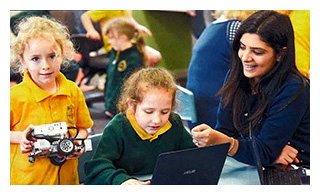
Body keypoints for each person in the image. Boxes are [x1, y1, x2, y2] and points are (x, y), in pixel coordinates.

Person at [191, 10, 310, 167]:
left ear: (280, 54)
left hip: (299, 169)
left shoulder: (294, 88)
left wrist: (227, 143)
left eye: (257, 52)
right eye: (242, 47)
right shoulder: (237, 76)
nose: (246, 57)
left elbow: (263, 151)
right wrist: (264, 153)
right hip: (262, 166)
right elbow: (227, 132)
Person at [10, 16, 94, 184]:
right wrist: (21, 138)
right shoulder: (14, 96)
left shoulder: (72, 90)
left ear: (62, 54)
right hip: (29, 180)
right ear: (23, 61)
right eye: (35, 59)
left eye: (52, 56)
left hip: (67, 179)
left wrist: (78, 141)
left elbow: (83, 128)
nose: (45, 65)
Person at [84, 67, 196, 185]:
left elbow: (191, 157)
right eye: (148, 111)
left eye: (164, 112)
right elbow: (97, 169)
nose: (157, 120)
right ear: (132, 105)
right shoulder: (117, 128)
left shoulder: (174, 124)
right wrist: (122, 180)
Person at [186, 10, 256, 130]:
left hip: (199, 112)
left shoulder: (213, 26)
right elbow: (252, 62)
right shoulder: (235, 27)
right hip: (216, 113)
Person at [81, 10, 161, 67]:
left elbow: (128, 18)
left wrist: (137, 26)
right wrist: (91, 30)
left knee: (155, 56)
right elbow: (85, 16)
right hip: (115, 44)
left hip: (129, 43)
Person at [103, 17, 148, 118]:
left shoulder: (133, 58)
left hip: (123, 112)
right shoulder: (115, 53)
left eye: (111, 38)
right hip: (111, 108)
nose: (109, 42)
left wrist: (119, 108)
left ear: (123, 38)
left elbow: (131, 89)